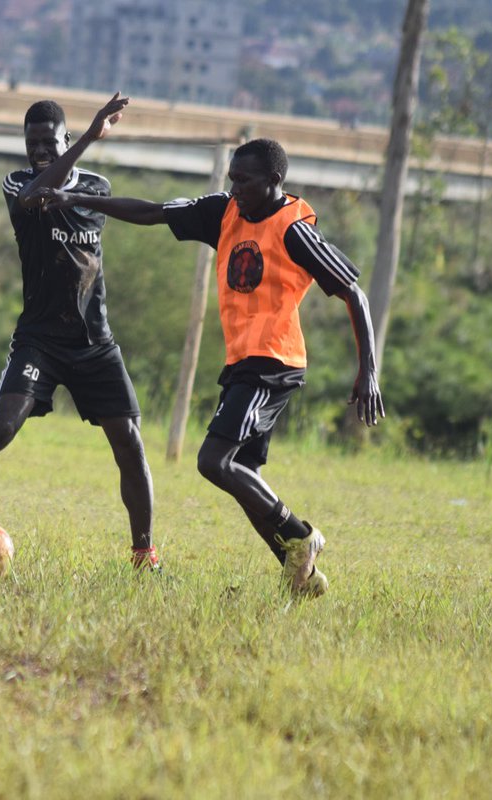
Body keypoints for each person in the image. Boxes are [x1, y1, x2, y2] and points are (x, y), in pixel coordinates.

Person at [39, 133, 385, 597]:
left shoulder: (294, 230)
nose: (235, 186)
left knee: (213, 461)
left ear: (274, 180)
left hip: (274, 362)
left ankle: (301, 537)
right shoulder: (224, 211)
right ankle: (298, 572)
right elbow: (153, 212)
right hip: (243, 361)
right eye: (232, 178)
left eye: (244, 179)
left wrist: (369, 371)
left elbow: (354, 293)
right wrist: (75, 198)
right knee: (243, 474)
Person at [0, 94, 161, 571]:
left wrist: (79, 164)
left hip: (94, 341)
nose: (40, 152)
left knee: (129, 439)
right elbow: (34, 199)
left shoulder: (96, 185)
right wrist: (89, 137)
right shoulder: (18, 184)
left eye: (50, 141)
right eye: (33, 144)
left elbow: (89, 219)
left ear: (62, 138)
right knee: (4, 426)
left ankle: (144, 556)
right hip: (40, 340)